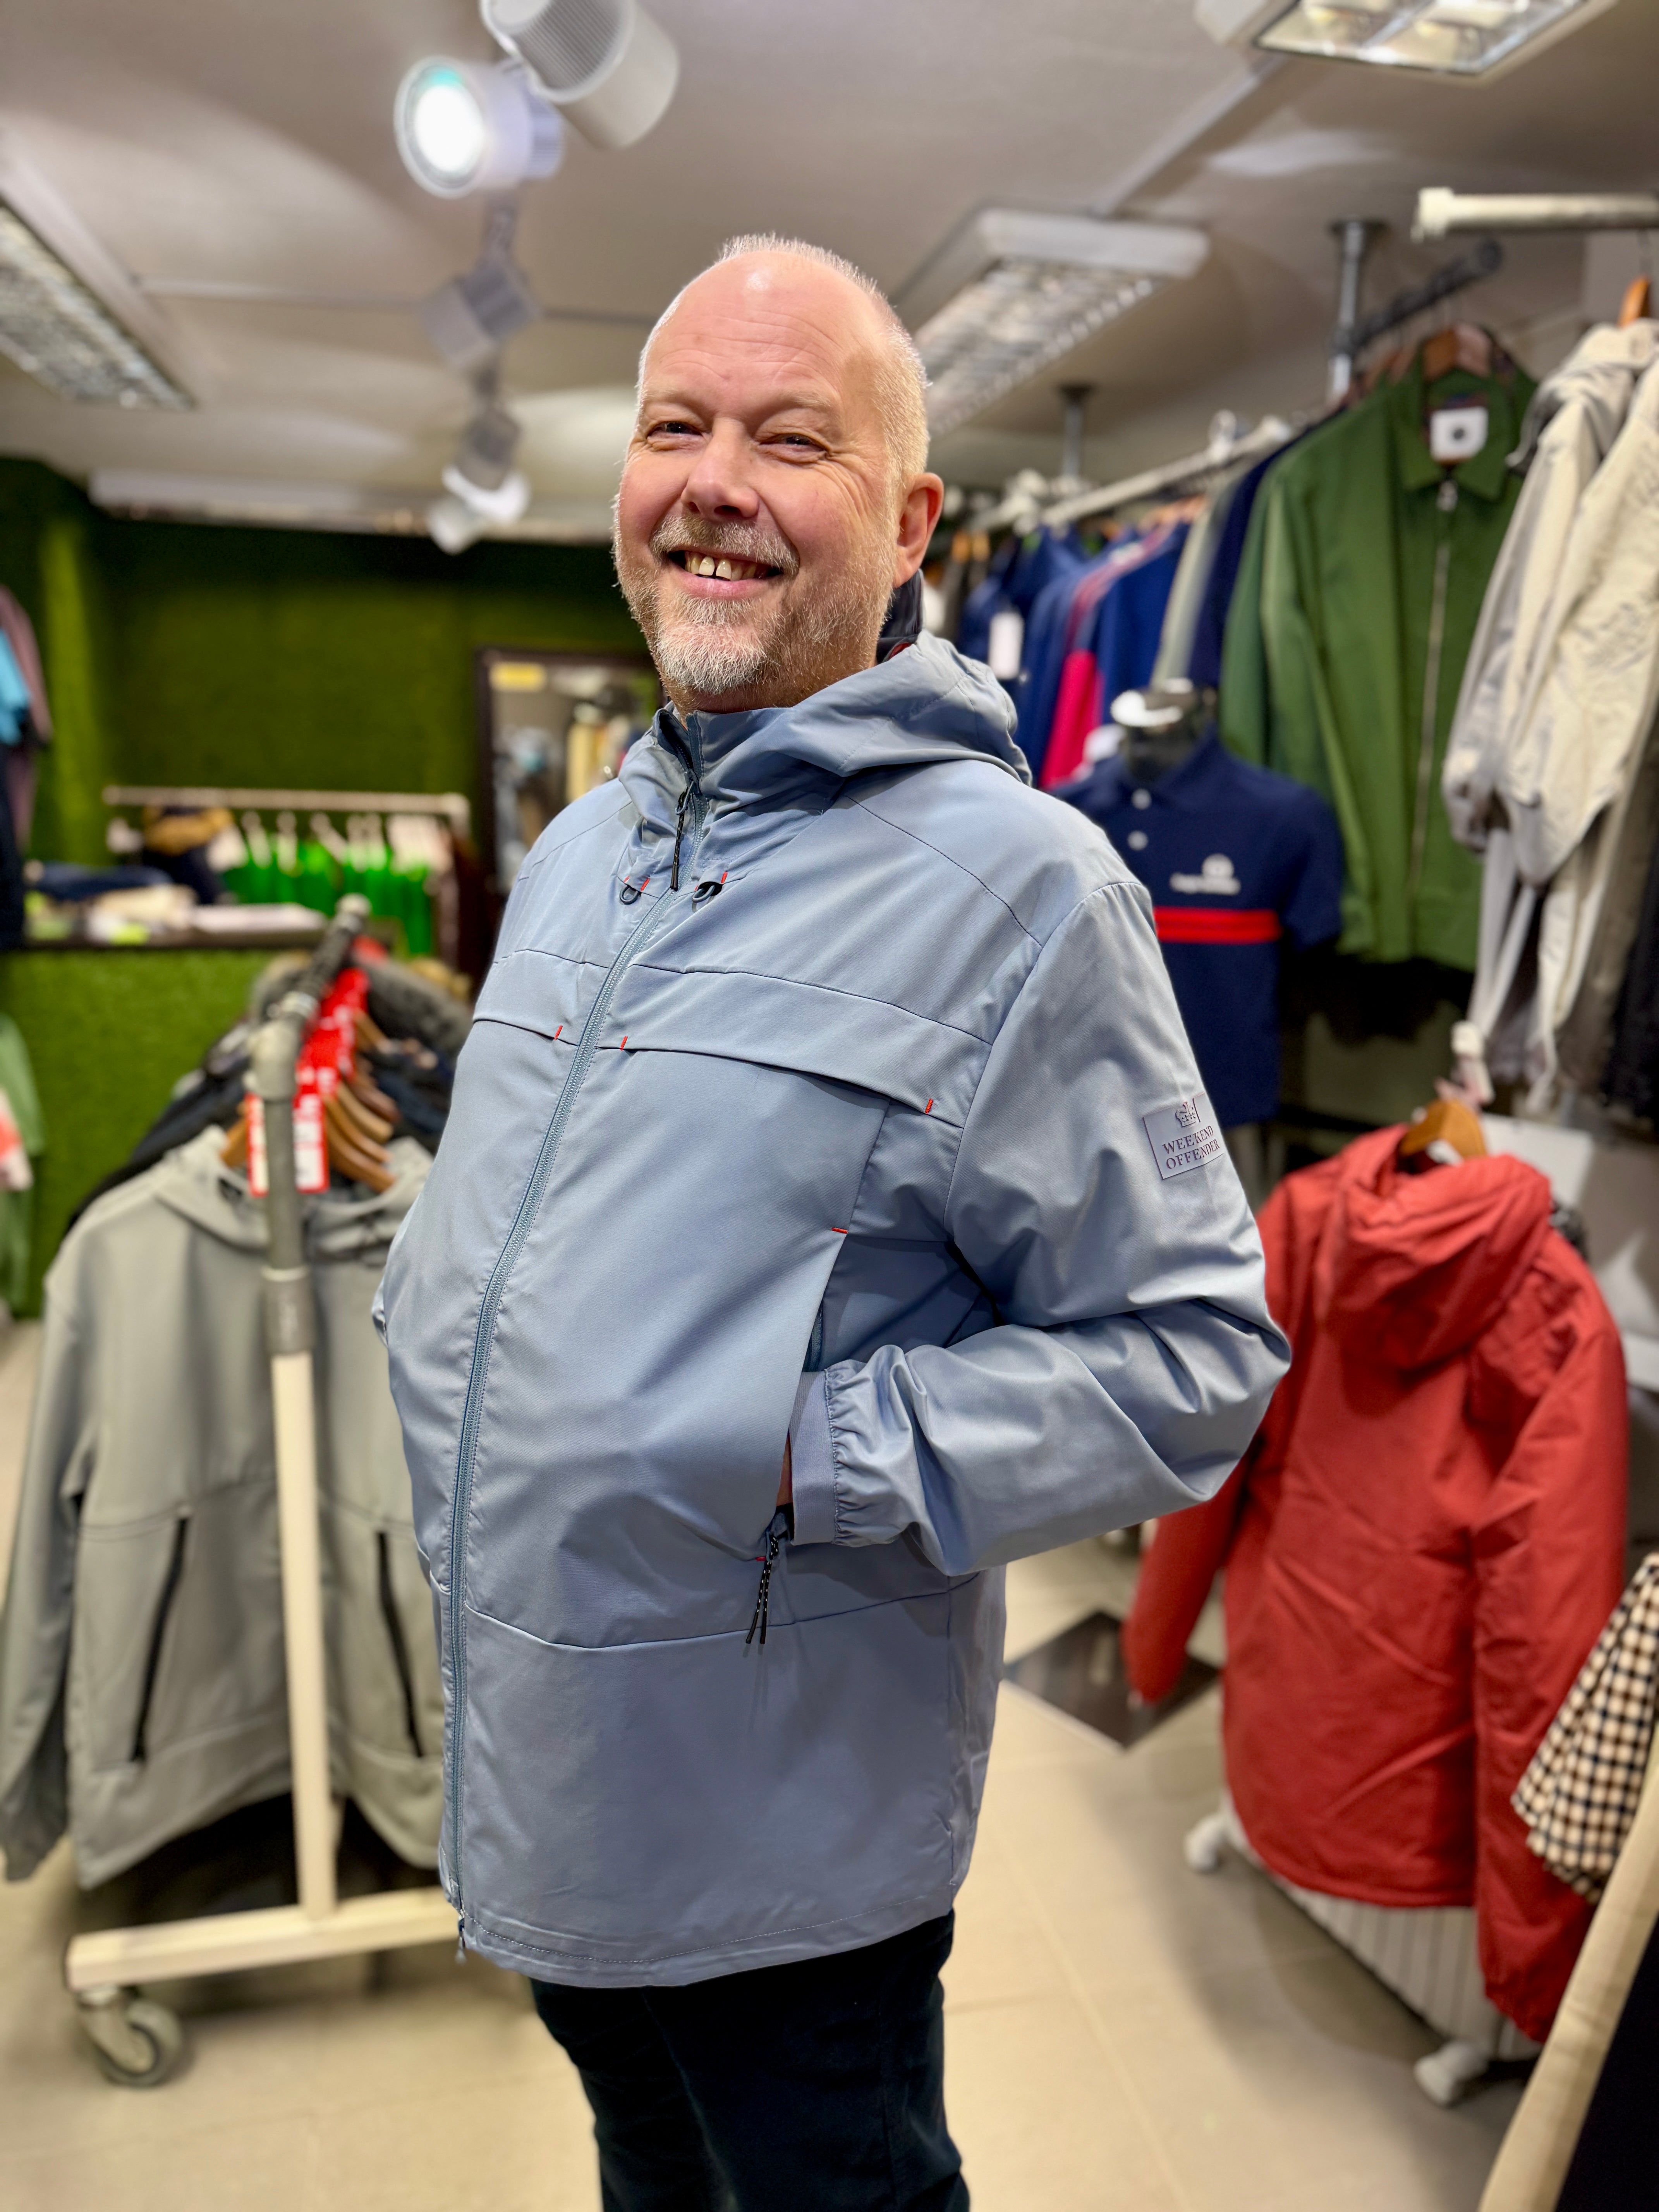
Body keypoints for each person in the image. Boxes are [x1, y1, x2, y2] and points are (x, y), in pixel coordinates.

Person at [378, 235, 1288, 2212]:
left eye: (792, 440)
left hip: (782, 1855)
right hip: (544, 1766)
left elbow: (1197, 1358)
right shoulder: (587, 848)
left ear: (913, 522)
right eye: (675, 429)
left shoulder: (1026, 893)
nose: (714, 483)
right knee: (648, 2175)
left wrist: (801, 1448)